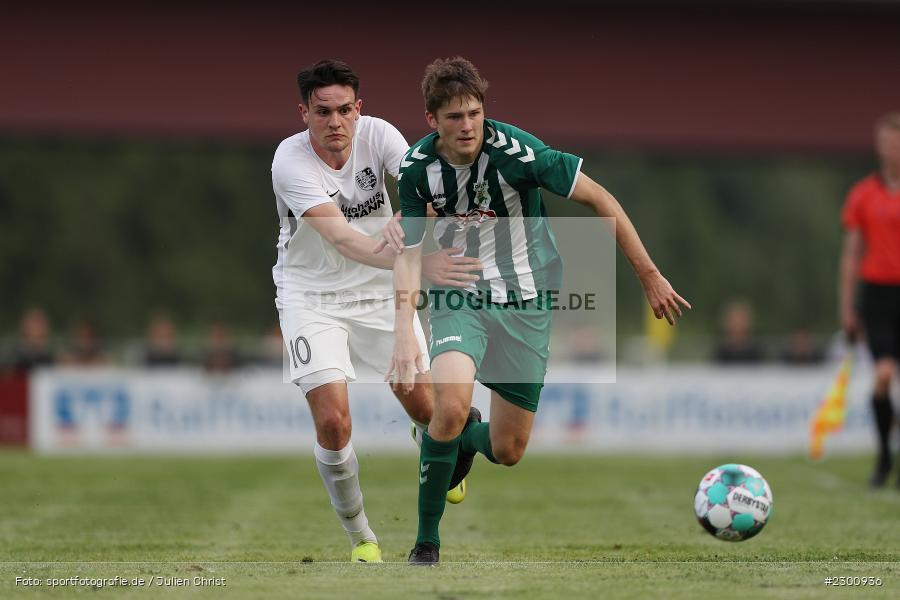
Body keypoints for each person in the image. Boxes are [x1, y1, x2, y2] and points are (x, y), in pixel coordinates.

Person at [383, 57, 690, 564]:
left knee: (508, 449)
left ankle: (462, 442)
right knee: (450, 406)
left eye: (475, 113)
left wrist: (649, 276)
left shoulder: (518, 152)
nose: (468, 126)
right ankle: (426, 544)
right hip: (461, 293)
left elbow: (601, 199)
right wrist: (402, 329)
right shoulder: (417, 169)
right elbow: (409, 253)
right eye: (455, 117)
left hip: (528, 300)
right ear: (431, 120)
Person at [271, 59, 482, 563]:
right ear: (304, 114)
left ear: (358, 109)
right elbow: (344, 239)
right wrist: (421, 260)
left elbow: (425, 194)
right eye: (323, 112)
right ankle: (362, 537)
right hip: (312, 295)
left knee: (431, 410)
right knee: (333, 421)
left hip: (382, 287)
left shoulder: (381, 135)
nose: (335, 122)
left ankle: (430, 435)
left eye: (345, 110)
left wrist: (418, 217)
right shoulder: (289, 161)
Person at [839, 112, 900, 488]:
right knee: (883, 376)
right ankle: (884, 458)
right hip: (877, 294)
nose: (890, 150)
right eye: (885, 143)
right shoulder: (863, 194)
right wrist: (847, 307)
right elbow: (851, 253)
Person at [712, 300, 765, 364]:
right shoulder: (719, 353)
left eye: (740, 321)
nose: (737, 325)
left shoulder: (757, 353)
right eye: (734, 322)